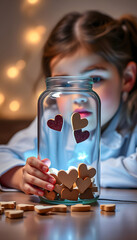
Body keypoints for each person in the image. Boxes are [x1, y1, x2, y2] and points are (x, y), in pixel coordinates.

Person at [0, 10, 137, 196]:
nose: (78, 96)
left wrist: (76, 175)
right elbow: (3, 156)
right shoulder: (52, 119)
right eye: (64, 84)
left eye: (95, 79)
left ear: (127, 78)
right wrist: (20, 176)